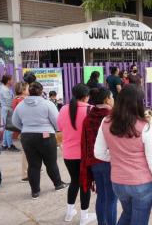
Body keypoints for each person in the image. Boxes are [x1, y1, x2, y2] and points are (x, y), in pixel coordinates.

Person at [94, 84, 152, 225]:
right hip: (142, 184)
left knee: (127, 214)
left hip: (118, 183)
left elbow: (98, 153)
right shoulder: (145, 126)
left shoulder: (106, 122)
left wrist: (116, 157)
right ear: (139, 103)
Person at [12, 82, 68, 199]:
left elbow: (14, 122)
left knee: (33, 165)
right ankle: (58, 184)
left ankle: (35, 192)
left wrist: (25, 129)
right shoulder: (47, 104)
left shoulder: (21, 105)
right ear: (41, 92)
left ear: (29, 91)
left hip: (27, 136)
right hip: (46, 135)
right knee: (51, 162)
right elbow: (57, 121)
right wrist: (56, 130)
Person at [57, 83, 96, 224]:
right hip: (84, 155)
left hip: (68, 154)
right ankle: (84, 217)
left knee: (74, 182)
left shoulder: (63, 109)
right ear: (87, 96)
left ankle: (69, 213)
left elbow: (60, 128)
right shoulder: (90, 109)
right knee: (85, 183)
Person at [80, 88, 117, 225]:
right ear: (107, 99)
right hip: (109, 161)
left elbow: (84, 142)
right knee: (112, 198)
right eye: (112, 96)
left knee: (101, 195)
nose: (113, 99)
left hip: (94, 163)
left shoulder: (88, 117)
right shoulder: (112, 117)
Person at [12, 82, 30, 182]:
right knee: (26, 152)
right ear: (23, 90)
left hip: (22, 129)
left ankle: (28, 171)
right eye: (27, 88)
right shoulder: (21, 101)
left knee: (27, 151)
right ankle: (24, 174)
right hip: (23, 130)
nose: (29, 90)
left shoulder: (16, 99)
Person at [0, 74, 20, 152]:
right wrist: (16, 99)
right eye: (12, 79)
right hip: (8, 110)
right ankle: (10, 145)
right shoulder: (5, 90)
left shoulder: (6, 88)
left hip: (7, 110)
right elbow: (9, 102)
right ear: (8, 81)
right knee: (10, 129)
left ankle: (4, 145)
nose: (13, 81)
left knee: (7, 128)